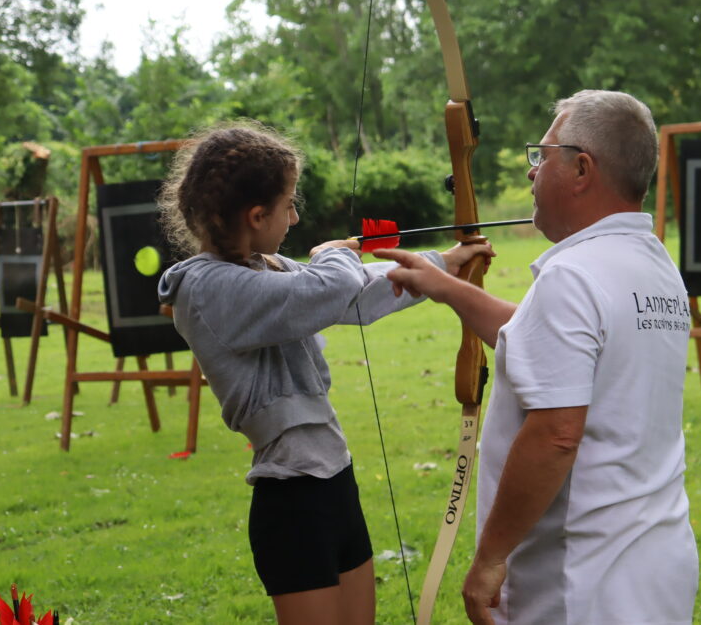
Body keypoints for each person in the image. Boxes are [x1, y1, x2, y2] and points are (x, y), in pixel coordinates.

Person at [375, 90, 699, 624]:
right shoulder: (653, 264)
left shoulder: (572, 277)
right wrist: (446, 287)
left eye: (542, 155)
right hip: (654, 564)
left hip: (581, 581)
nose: (532, 171)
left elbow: (556, 434)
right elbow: (542, 341)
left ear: (581, 169)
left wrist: (489, 560)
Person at [155, 121, 494, 625]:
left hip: (334, 480)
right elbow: (326, 289)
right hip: (292, 499)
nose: (294, 216)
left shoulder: (262, 268)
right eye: (289, 204)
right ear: (255, 214)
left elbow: (354, 293)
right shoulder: (207, 290)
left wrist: (442, 264)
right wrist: (336, 255)